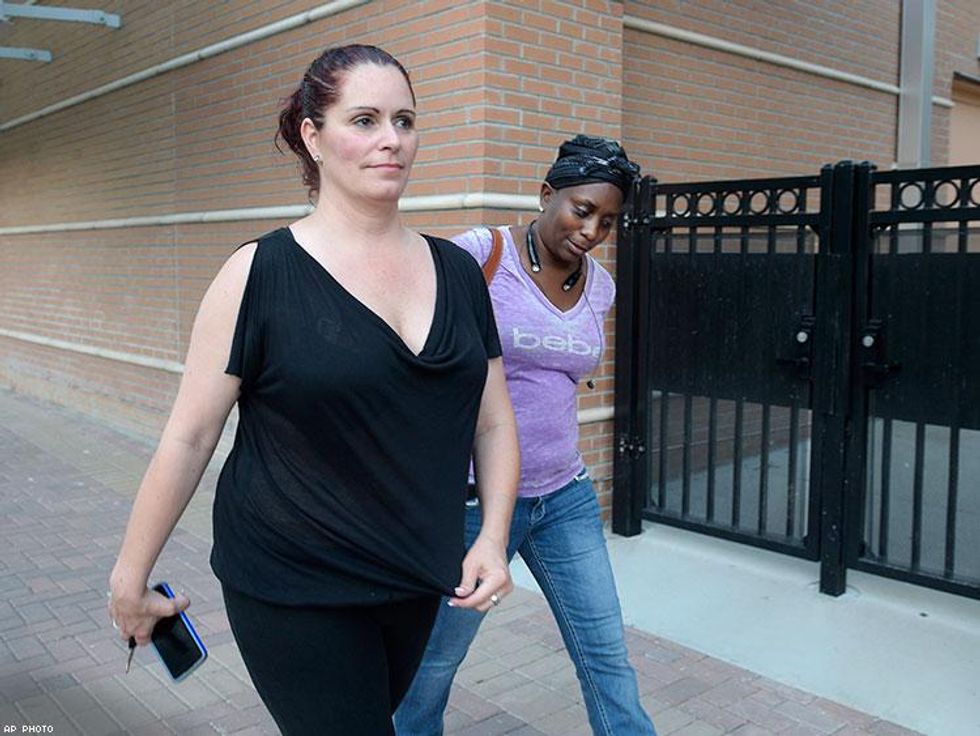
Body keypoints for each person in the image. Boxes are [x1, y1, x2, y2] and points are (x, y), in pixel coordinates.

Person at [107, 44, 520, 735]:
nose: (391, 139)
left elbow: (494, 423)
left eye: (405, 120)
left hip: (417, 575)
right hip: (293, 579)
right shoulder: (258, 273)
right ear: (312, 135)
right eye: (364, 119)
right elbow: (191, 434)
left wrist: (494, 536)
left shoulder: (455, 272)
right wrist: (129, 577)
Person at [395, 136, 656, 736]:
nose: (591, 231)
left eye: (608, 221)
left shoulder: (602, 287)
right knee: (434, 663)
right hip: (472, 501)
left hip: (564, 495)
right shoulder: (480, 255)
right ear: (547, 195)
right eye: (581, 210)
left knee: (606, 655)